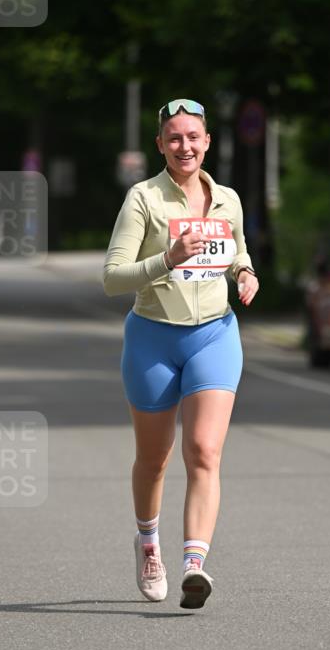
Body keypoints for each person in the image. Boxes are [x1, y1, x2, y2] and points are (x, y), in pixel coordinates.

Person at [104, 99, 259, 609]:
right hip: (153, 336)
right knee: (154, 459)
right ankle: (149, 543)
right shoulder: (144, 198)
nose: (184, 146)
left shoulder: (228, 199)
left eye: (193, 137)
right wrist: (166, 258)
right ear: (161, 145)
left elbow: (237, 248)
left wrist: (244, 273)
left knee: (205, 452)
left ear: (208, 141)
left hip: (215, 333)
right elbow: (112, 276)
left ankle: (195, 563)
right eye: (174, 138)